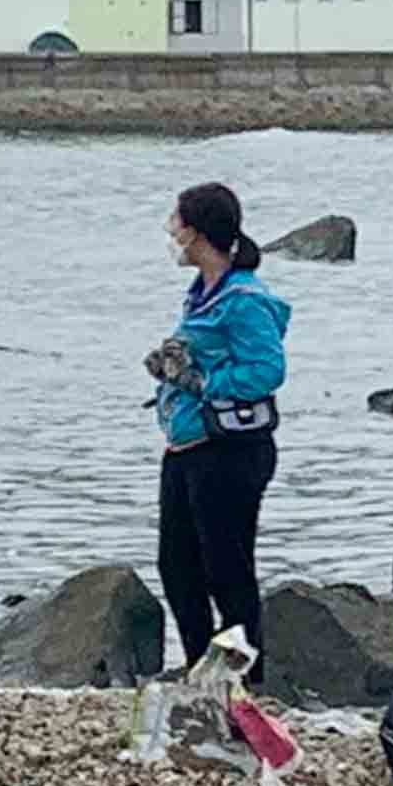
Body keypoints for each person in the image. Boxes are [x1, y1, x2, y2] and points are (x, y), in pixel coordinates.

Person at [151, 183, 290, 663]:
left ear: (197, 232)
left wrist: (199, 380)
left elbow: (267, 370)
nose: (171, 230)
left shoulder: (245, 298)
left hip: (228, 450)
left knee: (227, 568)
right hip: (186, 446)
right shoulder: (202, 294)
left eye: (176, 221)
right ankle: (198, 667)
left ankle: (245, 677)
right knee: (176, 567)